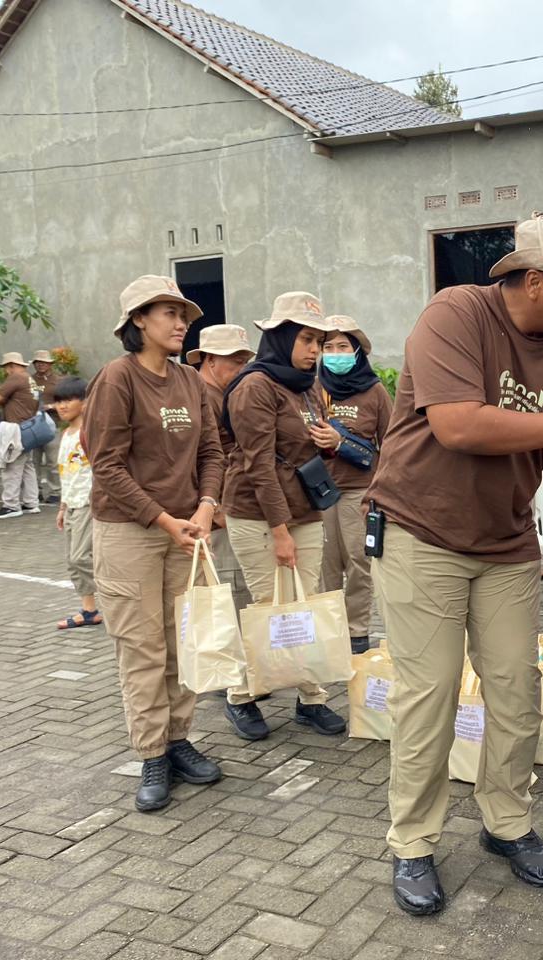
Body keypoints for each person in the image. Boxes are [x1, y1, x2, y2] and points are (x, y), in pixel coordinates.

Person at [366, 213, 543, 916]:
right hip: (422, 532)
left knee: (517, 689)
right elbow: (458, 424)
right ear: (535, 280)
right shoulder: (457, 313)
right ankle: (413, 841)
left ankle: (507, 821)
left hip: (507, 543)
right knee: (429, 695)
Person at [83, 275, 226, 812]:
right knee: (143, 647)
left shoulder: (190, 380)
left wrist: (206, 506)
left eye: (183, 314)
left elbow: (212, 451)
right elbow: (107, 465)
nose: (181, 322)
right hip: (130, 532)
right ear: (138, 320)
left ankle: (179, 739)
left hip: (186, 528)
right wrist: (164, 519)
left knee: (181, 640)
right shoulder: (117, 379)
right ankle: (152, 754)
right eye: (169, 312)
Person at [219, 292, 347, 742]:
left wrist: (330, 443)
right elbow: (258, 464)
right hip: (257, 513)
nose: (314, 350)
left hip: (304, 508)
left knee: (305, 605)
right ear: (281, 337)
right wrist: (279, 531)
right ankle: (241, 696)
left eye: (319, 341)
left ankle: (311, 699)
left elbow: (302, 448)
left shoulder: (307, 386)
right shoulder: (254, 386)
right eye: (306, 339)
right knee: (270, 609)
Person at [315, 315, 392, 655]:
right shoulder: (311, 388)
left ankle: (357, 630)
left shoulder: (374, 392)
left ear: (357, 351)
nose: (335, 354)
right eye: (329, 347)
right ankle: (330, 633)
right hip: (318, 491)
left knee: (360, 564)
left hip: (360, 491)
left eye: (343, 347)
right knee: (325, 567)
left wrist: (341, 442)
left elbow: (391, 443)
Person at [188, 324, 256, 613]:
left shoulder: (227, 394)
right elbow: (200, 457)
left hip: (231, 507)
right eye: (235, 361)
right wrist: (215, 508)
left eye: (245, 362)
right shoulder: (201, 394)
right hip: (217, 516)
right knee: (232, 594)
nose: (241, 368)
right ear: (210, 359)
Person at [52, 376, 102, 631]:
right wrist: (62, 507)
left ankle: (122, 594)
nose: (62, 406)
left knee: (81, 557)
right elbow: (66, 474)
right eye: (58, 401)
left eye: (68, 400)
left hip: (89, 503)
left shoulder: (90, 433)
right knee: (73, 560)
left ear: (84, 402)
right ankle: (89, 610)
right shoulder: (65, 434)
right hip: (72, 504)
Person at [0, 352, 42, 520]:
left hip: (15, 429)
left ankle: (11, 505)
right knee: (27, 466)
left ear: (11, 366)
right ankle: (31, 503)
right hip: (29, 427)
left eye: (6, 367)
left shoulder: (16, 377)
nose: (5, 371)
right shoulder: (30, 379)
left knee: (11, 465)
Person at [29, 350, 62, 505]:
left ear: (50, 364)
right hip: (32, 425)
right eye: (37, 362)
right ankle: (35, 492)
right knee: (33, 461)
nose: (40, 364)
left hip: (52, 425)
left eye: (44, 362)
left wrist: (51, 406)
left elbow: (67, 401)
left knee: (53, 461)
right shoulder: (29, 380)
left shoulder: (59, 381)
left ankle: (56, 492)